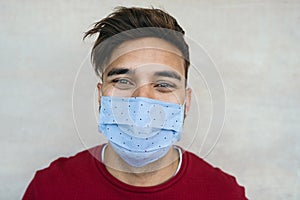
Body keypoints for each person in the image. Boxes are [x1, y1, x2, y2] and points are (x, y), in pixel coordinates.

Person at [23, 6, 247, 199]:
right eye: (123, 81)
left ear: (186, 102)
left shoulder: (224, 194)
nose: (142, 99)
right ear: (101, 97)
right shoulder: (49, 189)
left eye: (163, 84)